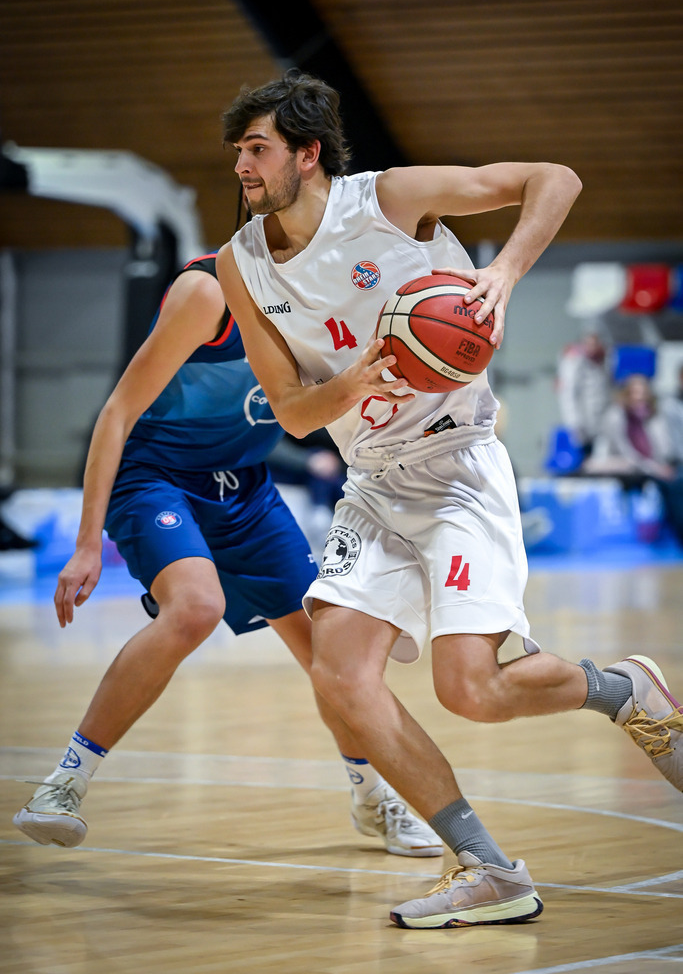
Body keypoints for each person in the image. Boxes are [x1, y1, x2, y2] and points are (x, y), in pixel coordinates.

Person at [215, 70, 683, 930]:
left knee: (469, 689)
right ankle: (489, 869)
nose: (241, 166)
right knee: (340, 675)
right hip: (371, 482)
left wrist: (501, 272)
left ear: (306, 155)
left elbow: (556, 179)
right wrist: (350, 384)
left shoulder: (388, 199)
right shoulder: (238, 264)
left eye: (257, 150)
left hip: (458, 462)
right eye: (238, 151)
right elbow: (288, 408)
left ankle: (621, 690)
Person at [11, 252, 442, 861]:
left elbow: (312, 418)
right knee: (194, 609)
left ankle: (372, 798)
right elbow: (117, 413)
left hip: (246, 487)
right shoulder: (208, 292)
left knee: (332, 654)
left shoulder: (339, 310)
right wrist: (87, 544)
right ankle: (64, 784)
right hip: (156, 475)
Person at [583, 372, 683, 545]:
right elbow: (627, 454)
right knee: (672, 485)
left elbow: (664, 449)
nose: (639, 396)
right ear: (626, 395)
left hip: (654, 466)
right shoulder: (615, 417)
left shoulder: (654, 417)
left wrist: (661, 465)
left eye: (643, 392)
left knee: (678, 480)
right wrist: (654, 468)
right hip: (629, 467)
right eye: (634, 392)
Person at [555, 330, 612, 462]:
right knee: (582, 460)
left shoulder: (604, 360)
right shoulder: (573, 361)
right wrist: (573, 423)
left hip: (600, 422)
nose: (592, 347)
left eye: (595, 343)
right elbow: (568, 394)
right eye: (588, 343)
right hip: (581, 424)